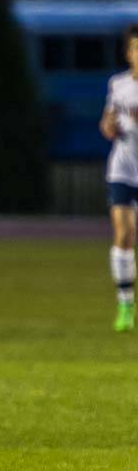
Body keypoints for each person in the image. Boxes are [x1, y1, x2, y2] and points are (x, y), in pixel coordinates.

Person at [100, 23, 138, 332]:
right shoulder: (118, 85)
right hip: (123, 168)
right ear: (129, 53)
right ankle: (125, 304)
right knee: (124, 233)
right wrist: (110, 126)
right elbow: (107, 126)